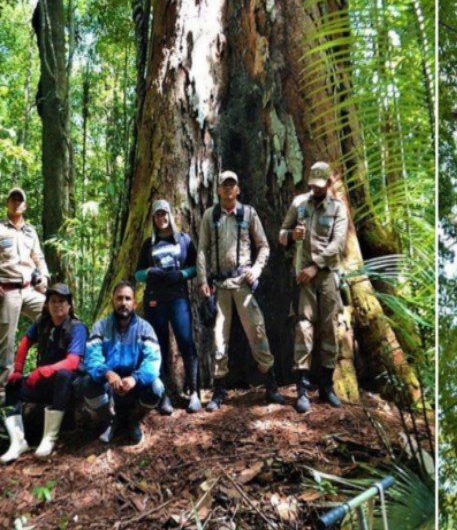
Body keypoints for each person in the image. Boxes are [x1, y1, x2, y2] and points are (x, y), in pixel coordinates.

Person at [197, 171, 284, 411]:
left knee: (257, 331)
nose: (228, 189)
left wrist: (256, 269)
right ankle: (218, 390)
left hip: (244, 284)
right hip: (219, 286)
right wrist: (203, 279)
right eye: (224, 185)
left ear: (238, 189)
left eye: (232, 185)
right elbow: (202, 249)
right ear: (218, 190)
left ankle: (270, 383)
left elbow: (263, 245)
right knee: (218, 338)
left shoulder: (248, 214)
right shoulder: (210, 216)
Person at [279, 161, 348, 414]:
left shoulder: (338, 209)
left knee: (329, 327)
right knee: (304, 328)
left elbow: (338, 244)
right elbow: (281, 233)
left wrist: (315, 266)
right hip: (302, 278)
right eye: (312, 186)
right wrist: (290, 237)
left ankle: (327, 386)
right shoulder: (299, 204)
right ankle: (302, 388)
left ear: (329, 184)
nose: (315, 190)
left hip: (326, 275)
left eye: (320, 186)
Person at [1, 283, 87, 462]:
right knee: (12, 385)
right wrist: (17, 370)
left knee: (64, 375)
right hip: (45, 381)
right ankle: (17, 441)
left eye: (62, 301)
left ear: (69, 305)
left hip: (68, 387)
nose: (57, 305)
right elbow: (25, 342)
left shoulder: (76, 327)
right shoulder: (42, 321)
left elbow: (72, 362)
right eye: (53, 301)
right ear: (47, 304)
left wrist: (42, 371)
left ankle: (50, 438)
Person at [135, 200, 200, 414]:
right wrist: (149, 273)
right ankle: (163, 397)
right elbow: (138, 274)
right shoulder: (148, 244)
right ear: (153, 218)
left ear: (170, 215)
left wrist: (181, 274)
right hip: (155, 299)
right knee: (158, 345)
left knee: (186, 342)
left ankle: (195, 393)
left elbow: (195, 266)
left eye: (164, 214)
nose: (161, 219)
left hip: (178, 296)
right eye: (157, 215)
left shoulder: (183, 240)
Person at [83, 281, 163, 444]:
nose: (123, 303)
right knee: (86, 384)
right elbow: (91, 357)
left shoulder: (145, 328)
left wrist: (135, 378)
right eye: (119, 298)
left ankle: (133, 419)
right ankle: (111, 419)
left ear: (134, 302)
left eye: (128, 299)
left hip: (135, 385)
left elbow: (153, 361)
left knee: (157, 388)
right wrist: (107, 373)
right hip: (108, 386)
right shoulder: (101, 326)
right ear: (113, 301)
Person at [0, 187, 50, 398]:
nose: (17, 203)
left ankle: (47, 371)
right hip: (8, 290)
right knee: (6, 341)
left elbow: (38, 257)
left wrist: (45, 279)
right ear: (7, 204)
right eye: (13, 199)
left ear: (25, 206)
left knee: (50, 317)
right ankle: (4, 390)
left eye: (20, 200)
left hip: (30, 289)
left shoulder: (31, 231)